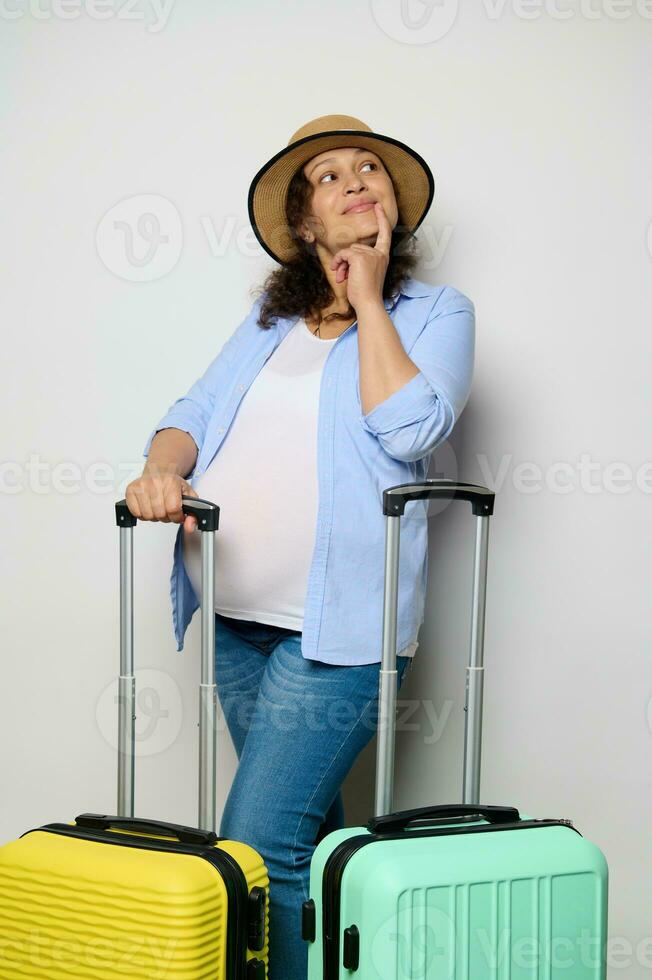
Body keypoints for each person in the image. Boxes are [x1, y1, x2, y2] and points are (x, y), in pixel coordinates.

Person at [125, 114, 475, 980]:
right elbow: (192, 414)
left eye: (370, 169)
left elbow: (411, 427)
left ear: (394, 206)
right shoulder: (266, 321)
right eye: (328, 175)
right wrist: (158, 471)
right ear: (304, 221)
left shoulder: (436, 314)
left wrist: (365, 297)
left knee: (255, 848)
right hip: (236, 623)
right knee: (308, 839)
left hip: (341, 634)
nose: (357, 179)